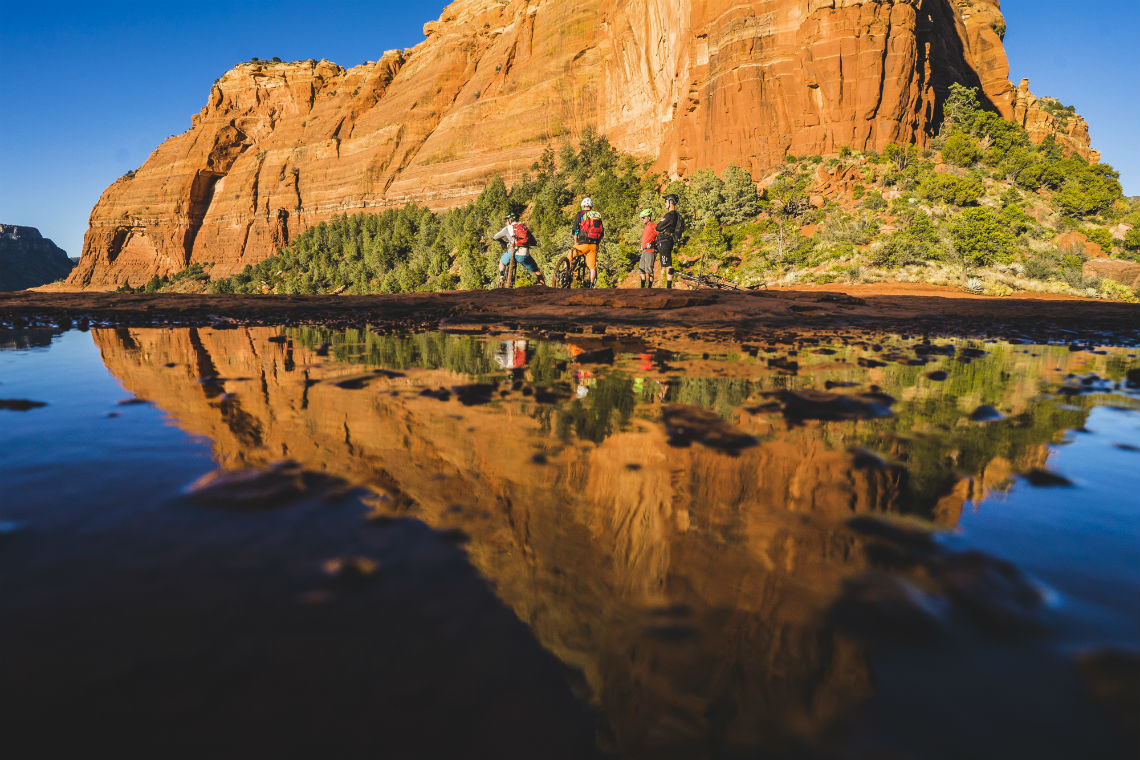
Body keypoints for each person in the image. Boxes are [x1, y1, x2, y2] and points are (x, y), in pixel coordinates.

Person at [492, 213, 546, 287]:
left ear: (510, 220)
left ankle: (502, 277)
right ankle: (543, 285)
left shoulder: (507, 228)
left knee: (501, 262)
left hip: (511, 252)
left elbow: (495, 237)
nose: (505, 222)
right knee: (537, 270)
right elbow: (533, 241)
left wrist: (503, 242)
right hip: (524, 254)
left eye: (506, 221)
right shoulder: (524, 228)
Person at [569, 197, 604, 287]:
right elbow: (601, 232)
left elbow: (575, 229)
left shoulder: (580, 214)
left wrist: (576, 241)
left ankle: (565, 272)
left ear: (582, 206)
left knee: (570, 255)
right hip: (594, 245)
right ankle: (591, 285)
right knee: (592, 267)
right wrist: (597, 244)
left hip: (583, 243)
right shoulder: (597, 215)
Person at [655, 194, 683, 289]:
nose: (665, 203)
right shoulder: (676, 215)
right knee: (667, 263)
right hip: (669, 240)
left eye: (666, 201)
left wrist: (661, 222)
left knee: (667, 264)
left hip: (665, 241)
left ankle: (669, 287)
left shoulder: (670, 215)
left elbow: (658, 227)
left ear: (671, 202)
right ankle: (668, 286)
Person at [637, 209, 658, 288]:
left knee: (649, 269)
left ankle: (649, 287)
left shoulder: (653, 225)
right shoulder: (646, 227)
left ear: (649, 217)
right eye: (641, 218)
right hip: (644, 250)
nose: (642, 219)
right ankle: (642, 287)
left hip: (650, 250)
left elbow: (659, 235)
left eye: (643, 217)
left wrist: (653, 244)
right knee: (641, 269)